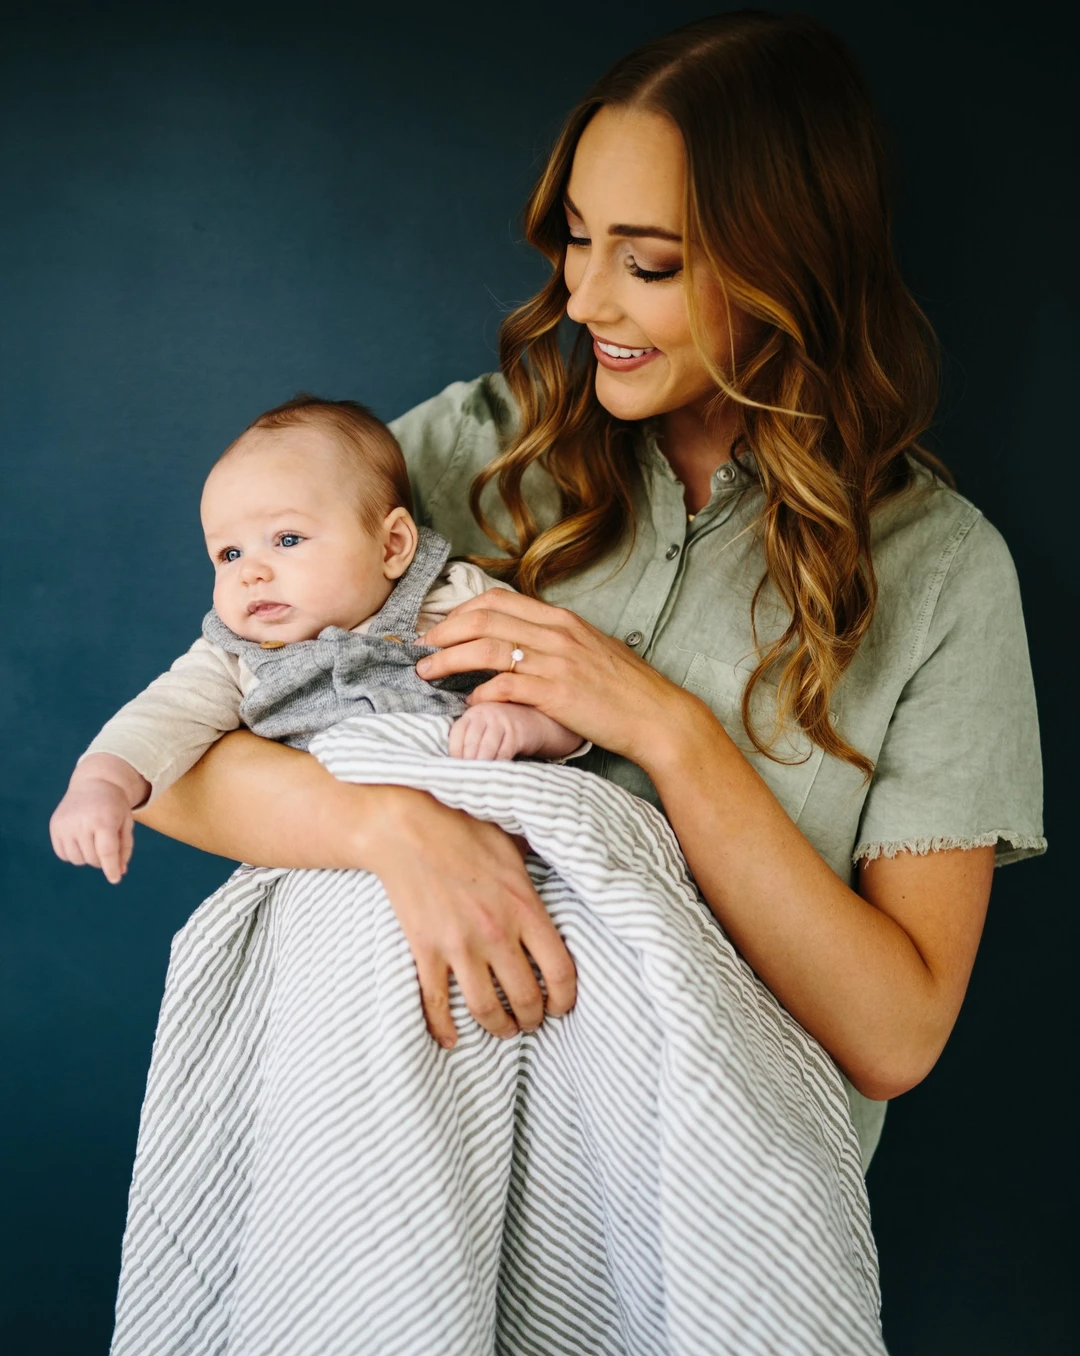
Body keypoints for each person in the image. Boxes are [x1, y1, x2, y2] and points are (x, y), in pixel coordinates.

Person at [134, 6, 1043, 1180]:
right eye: (575, 240)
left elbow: (896, 1035)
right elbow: (176, 757)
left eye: (649, 262)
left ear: (794, 261)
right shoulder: (475, 454)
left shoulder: (945, 573)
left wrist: (663, 726)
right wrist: (394, 829)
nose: (584, 302)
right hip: (412, 1156)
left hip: (699, 1197)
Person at [49, 395, 584, 885]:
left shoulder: (456, 598)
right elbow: (159, 720)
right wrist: (103, 784)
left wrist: (525, 724)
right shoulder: (235, 658)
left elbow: (568, 694)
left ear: (392, 544)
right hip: (335, 868)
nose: (249, 573)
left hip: (500, 843)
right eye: (228, 554)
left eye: (287, 539)